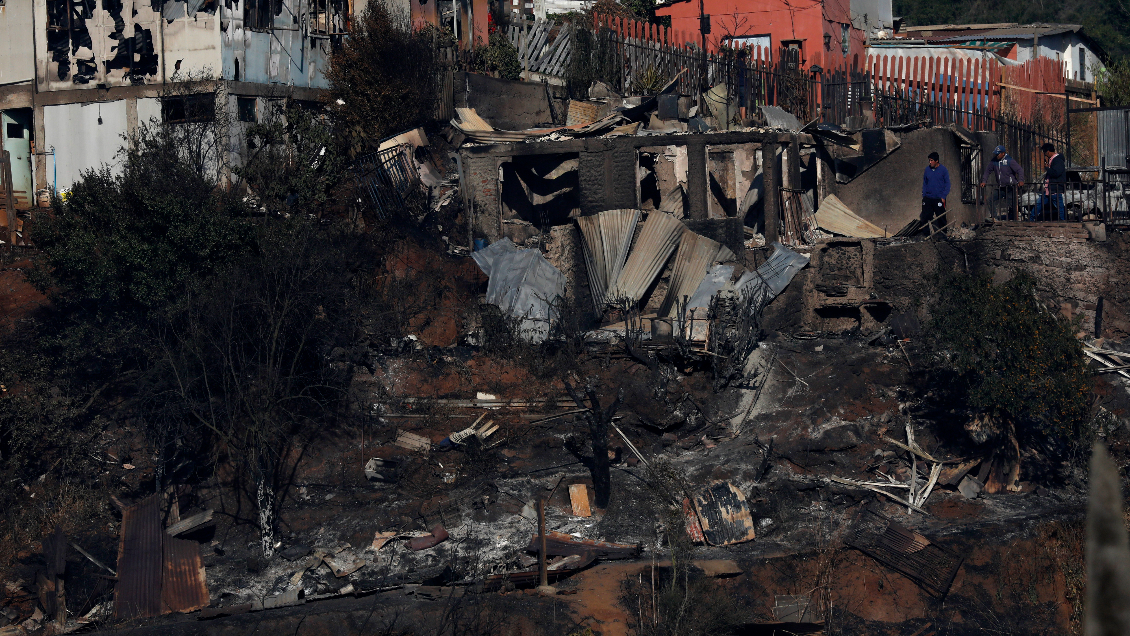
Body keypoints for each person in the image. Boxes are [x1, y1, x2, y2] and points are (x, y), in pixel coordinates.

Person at [979, 145, 1025, 220]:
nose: (997, 155)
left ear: (1003, 153)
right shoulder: (994, 161)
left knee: (1012, 204)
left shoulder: (1009, 160)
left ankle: (1017, 218)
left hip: (1011, 187)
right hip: (1001, 187)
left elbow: (1019, 170)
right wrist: (984, 181)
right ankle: (994, 217)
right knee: (990, 199)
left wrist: (1021, 180)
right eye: (996, 154)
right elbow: (987, 171)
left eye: (998, 154)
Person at [1034, 142, 1065, 221]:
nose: (1045, 155)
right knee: (1039, 204)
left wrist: (1047, 168)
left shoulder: (1058, 160)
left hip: (1055, 188)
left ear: (1048, 151)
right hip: (1049, 188)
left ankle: (1063, 220)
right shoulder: (1054, 160)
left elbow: (1056, 173)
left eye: (1045, 153)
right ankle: (1032, 218)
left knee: (1059, 206)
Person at [922, 151, 950, 232]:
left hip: (939, 198)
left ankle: (943, 236)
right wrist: (924, 195)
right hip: (928, 198)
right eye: (929, 160)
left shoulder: (943, 170)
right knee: (926, 217)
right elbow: (925, 183)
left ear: (936, 160)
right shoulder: (927, 170)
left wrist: (943, 196)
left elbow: (947, 184)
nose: (930, 162)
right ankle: (926, 235)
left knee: (941, 218)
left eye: (931, 160)